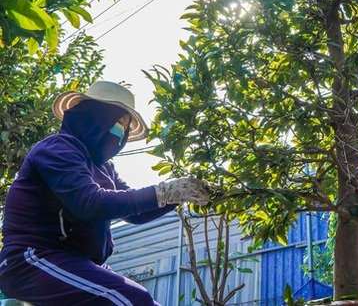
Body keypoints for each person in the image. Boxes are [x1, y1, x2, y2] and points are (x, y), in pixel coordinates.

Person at [0, 81, 211, 305]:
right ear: (96, 116)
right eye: (119, 120)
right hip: (32, 259)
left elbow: (135, 213)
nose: (121, 131)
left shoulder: (104, 168)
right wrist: (164, 192)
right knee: (132, 299)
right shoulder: (57, 148)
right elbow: (90, 202)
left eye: (126, 125)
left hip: (78, 262)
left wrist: (178, 196)